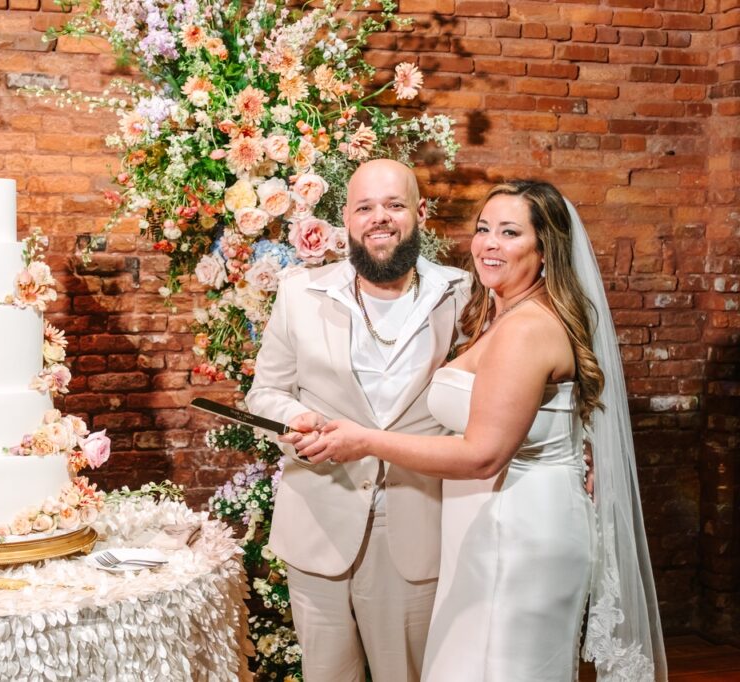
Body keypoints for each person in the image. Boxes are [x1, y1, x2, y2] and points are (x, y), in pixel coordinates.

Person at [291, 180, 667, 681]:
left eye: (510, 233)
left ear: (546, 249)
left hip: (516, 530)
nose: (489, 244)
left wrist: (363, 440)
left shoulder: (527, 329)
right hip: (495, 518)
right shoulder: (497, 311)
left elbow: (483, 455)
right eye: (484, 229)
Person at [246, 158, 470, 682]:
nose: (380, 218)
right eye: (365, 207)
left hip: (417, 527)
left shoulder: (462, 293)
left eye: (394, 205)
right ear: (345, 218)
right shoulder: (300, 292)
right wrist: (298, 423)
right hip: (318, 524)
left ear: (419, 213)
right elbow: (266, 393)